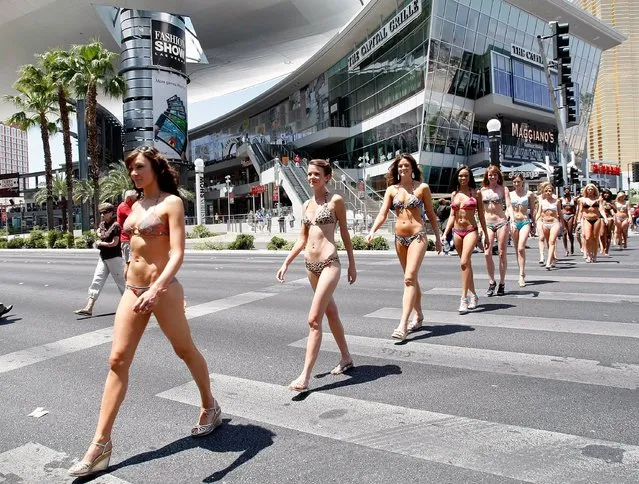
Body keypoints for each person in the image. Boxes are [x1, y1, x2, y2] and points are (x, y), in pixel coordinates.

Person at [68, 147, 220, 477]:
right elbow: (130, 244)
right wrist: (126, 268)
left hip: (161, 290)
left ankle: (210, 406)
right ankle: (100, 444)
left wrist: (156, 288)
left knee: (184, 350)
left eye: (139, 167)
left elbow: (177, 253)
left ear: (155, 167)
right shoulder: (134, 206)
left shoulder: (171, 203)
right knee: (117, 360)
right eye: (131, 169)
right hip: (133, 291)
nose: (134, 173)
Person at [277, 159, 356, 392]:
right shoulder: (306, 204)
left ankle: (305, 376)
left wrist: (352, 264)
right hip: (310, 266)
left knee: (314, 319)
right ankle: (346, 358)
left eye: (316, 174)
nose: (311, 178)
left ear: (327, 177)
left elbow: (344, 233)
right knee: (331, 313)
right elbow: (302, 239)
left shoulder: (336, 201)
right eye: (309, 174)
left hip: (330, 263)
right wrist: (286, 262)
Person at [367, 154, 442, 339]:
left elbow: (431, 215)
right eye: (400, 166)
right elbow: (383, 213)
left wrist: (438, 238)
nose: (403, 169)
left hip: (418, 236)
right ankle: (419, 315)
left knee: (408, 279)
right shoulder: (392, 189)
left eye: (406, 166)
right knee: (412, 279)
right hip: (399, 239)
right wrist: (372, 230)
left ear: (413, 168)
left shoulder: (422, 188)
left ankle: (403, 325)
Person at [443, 165, 489, 313]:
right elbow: (452, 216)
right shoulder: (454, 194)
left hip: (471, 230)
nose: (463, 178)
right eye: (461, 176)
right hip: (457, 232)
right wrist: (445, 233)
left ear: (470, 178)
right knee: (466, 265)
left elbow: (481, 214)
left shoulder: (475, 193)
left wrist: (485, 234)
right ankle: (474, 295)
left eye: (466, 176)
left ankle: (463, 299)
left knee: (463, 262)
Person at [74, 203, 126, 316]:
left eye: (105, 212)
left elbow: (114, 243)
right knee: (97, 280)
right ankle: (89, 308)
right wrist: (98, 234)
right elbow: (99, 231)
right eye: (101, 213)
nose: (102, 215)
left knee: (122, 283)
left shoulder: (116, 225)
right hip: (103, 257)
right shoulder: (102, 224)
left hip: (114, 257)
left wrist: (100, 243)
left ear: (111, 213)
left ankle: (131, 306)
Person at [480, 165, 511, 296]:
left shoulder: (503, 189)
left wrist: (510, 218)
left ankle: (502, 283)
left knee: (502, 253)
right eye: (490, 174)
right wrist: (480, 226)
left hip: (501, 221)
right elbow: (480, 210)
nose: (492, 177)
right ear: (487, 176)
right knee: (487, 253)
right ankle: (491, 281)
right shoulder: (482, 191)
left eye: (495, 174)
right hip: (487, 223)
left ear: (498, 176)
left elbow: (509, 205)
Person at [509, 174, 535, 287]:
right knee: (516, 249)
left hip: (525, 221)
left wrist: (534, 223)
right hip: (514, 222)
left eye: (518, 182)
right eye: (514, 182)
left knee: (521, 248)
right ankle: (521, 271)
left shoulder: (529, 194)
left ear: (522, 181)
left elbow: (533, 210)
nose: (516, 184)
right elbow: (508, 209)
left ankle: (521, 275)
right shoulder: (510, 195)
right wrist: (509, 221)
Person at [535, 182, 562, 270]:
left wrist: (562, 224)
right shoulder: (542, 201)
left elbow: (560, 213)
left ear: (552, 192)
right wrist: (535, 221)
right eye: (546, 191)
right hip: (545, 223)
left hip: (554, 222)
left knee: (552, 242)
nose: (548, 192)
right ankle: (552, 259)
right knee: (547, 242)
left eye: (550, 191)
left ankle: (548, 262)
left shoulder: (557, 201)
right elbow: (539, 212)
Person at [575, 183, 604, 263]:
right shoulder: (582, 200)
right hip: (586, 219)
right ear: (586, 190)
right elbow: (580, 211)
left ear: (594, 190)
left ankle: (594, 254)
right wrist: (578, 220)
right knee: (587, 237)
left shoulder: (598, 199)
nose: (590, 191)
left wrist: (605, 217)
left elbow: (601, 209)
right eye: (589, 189)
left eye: (592, 189)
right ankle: (588, 254)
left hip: (596, 218)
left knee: (595, 237)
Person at [117, 190, 138, 277]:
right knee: (129, 263)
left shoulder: (128, 206)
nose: (136, 201)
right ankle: (127, 283)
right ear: (129, 199)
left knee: (131, 263)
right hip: (126, 239)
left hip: (129, 239)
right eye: (134, 199)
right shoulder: (123, 207)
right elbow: (135, 217)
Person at [561, 188, 577, 257]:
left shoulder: (573, 199)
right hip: (564, 215)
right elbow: (560, 208)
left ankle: (571, 245)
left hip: (571, 215)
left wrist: (575, 217)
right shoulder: (561, 199)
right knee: (564, 233)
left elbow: (576, 209)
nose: (566, 192)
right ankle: (566, 249)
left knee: (570, 232)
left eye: (568, 191)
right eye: (565, 191)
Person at [600, 189, 616, 256]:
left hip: (609, 218)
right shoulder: (600, 200)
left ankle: (607, 250)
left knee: (608, 234)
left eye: (608, 193)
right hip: (601, 218)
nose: (606, 195)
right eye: (605, 193)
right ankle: (603, 247)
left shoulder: (611, 201)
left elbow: (616, 211)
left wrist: (612, 206)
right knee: (601, 234)